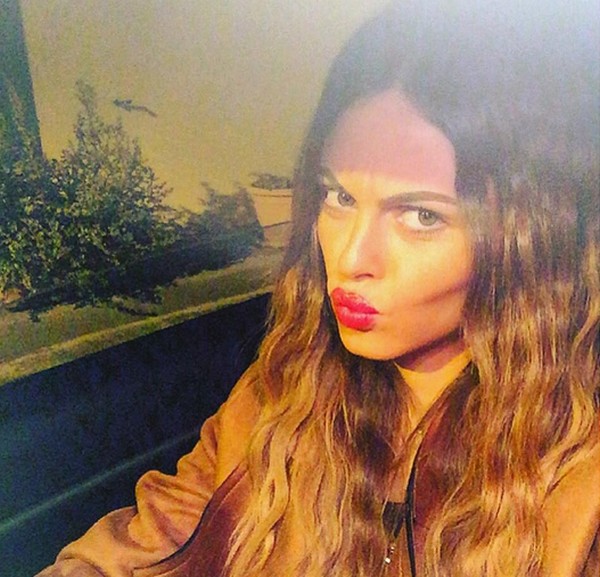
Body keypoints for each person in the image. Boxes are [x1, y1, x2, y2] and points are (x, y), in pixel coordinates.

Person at [39, 1, 599, 576]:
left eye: (421, 216)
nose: (351, 257)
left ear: (528, 243)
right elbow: (144, 543)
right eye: (339, 197)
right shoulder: (284, 394)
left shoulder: (580, 483)